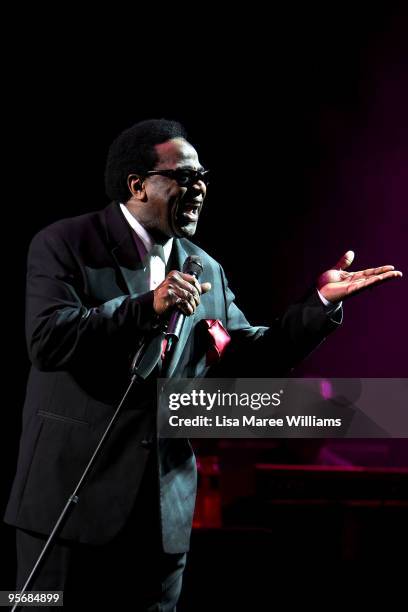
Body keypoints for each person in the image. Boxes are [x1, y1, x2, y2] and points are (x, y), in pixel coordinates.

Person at [4, 119, 402, 610]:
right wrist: (146, 306)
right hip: (68, 508)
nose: (200, 189)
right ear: (138, 184)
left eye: (203, 176)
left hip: (160, 520)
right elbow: (48, 339)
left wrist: (318, 303)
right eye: (185, 177)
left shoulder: (202, 266)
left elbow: (249, 356)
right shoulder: (65, 243)